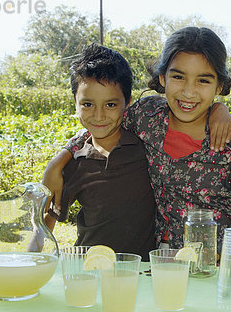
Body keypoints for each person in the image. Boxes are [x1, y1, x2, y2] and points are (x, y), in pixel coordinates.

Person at [45, 27, 231, 256]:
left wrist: (217, 257)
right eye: (178, 77)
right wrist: (60, 159)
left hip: (219, 269)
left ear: (220, 86)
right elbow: (103, 124)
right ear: (163, 78)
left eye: (203, 80)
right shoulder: (147, 117)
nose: (188, 92)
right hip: (158, 262)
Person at [43, 43, 156, 260]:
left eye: (111, 105)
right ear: (75, 103)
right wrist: (28, 264)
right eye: (87, 104)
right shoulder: (74, 163)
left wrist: (220, 110)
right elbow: (47, 219)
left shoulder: (147, 148)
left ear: (128, 103)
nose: (99, 115)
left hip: (140, 273)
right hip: (88, 270)